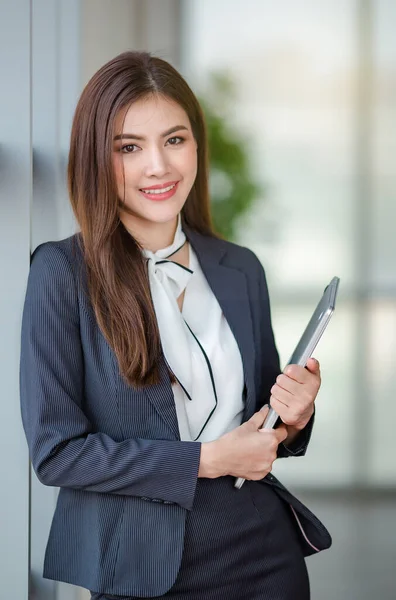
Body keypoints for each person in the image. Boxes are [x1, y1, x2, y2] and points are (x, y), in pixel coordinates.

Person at [20, 51, 331, 600]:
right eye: (129, 148)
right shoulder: (62, 272)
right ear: (97, 157)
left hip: (263, 552)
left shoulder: (240, 268)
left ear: (195, 147)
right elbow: (56, 452)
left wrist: (295, 413)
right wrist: (207, 459)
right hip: (142, 566)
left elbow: (263, 426)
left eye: (174, 139)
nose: (158, 167)